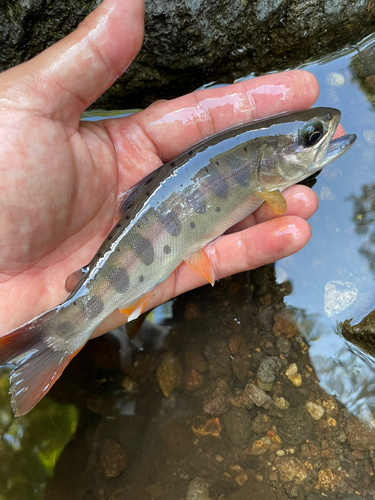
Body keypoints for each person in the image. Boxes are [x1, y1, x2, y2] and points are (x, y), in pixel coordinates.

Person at [0, 0, 323, 339]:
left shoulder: (260, 173)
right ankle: (61, 331)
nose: (316, 140)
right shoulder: (264, 180)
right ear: (268, 157)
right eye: (311, 137)